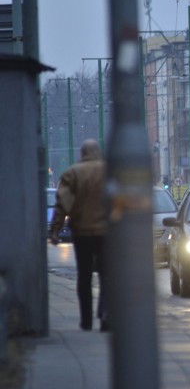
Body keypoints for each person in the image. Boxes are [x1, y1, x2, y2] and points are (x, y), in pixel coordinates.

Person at [49, 139, 109, 332]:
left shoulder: (72, 173)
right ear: (97, 152)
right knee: (106, 275)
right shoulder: (109, 171)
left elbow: (62, 205)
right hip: (106, 232)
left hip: (81, 232)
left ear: (82, 153)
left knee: (84, 276)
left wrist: (55, 230)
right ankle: (105, 313)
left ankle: (86, 320)